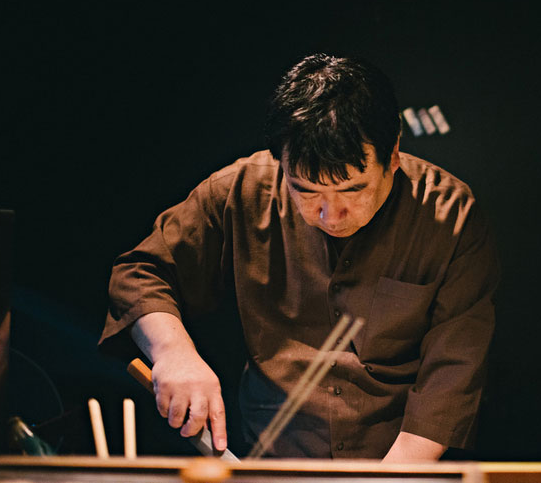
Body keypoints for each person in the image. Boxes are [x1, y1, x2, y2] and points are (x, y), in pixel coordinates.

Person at [100, 54, 499, 461]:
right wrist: (174, 353)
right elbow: (141, 273)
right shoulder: (242, 191)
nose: (329, 214)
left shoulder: (448, 215)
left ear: (392, 155)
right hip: (274, 460)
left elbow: (451, 374)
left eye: (351, 190)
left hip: (399, 464)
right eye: (306, 191)